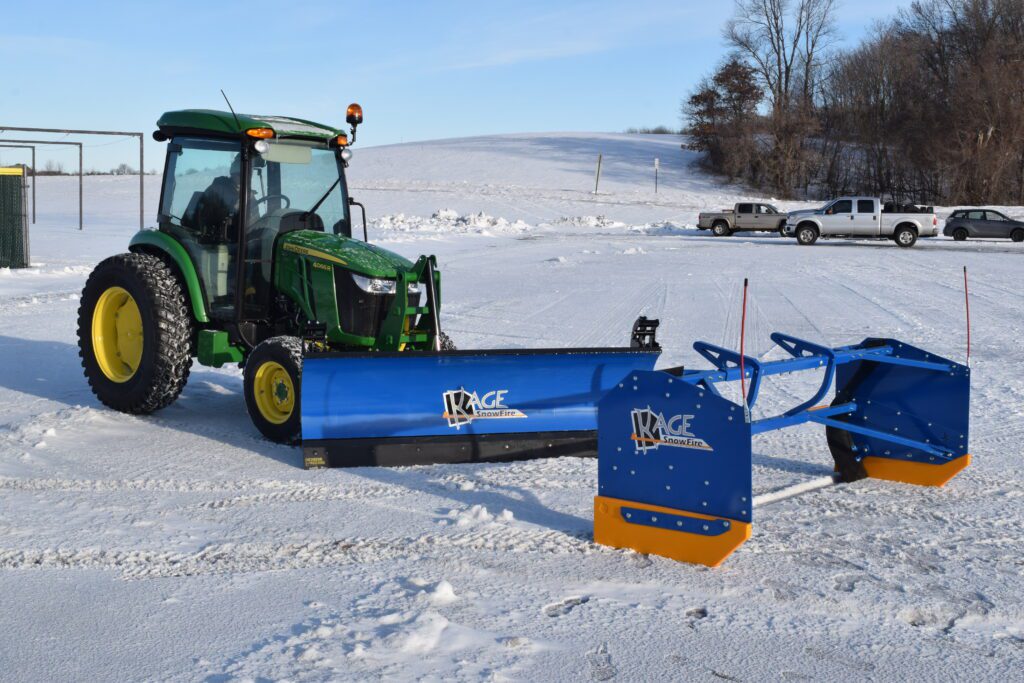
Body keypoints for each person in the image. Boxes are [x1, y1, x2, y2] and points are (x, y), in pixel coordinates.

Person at [197, 155, 243, 243]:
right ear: (233, 174)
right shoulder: (217, 189)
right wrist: (232, 210)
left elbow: (254, 219)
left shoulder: (248, 194)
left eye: (249, 174)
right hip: (220, 239)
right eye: (239, 174)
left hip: (245, 238)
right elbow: (205, 216)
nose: (244, 177)